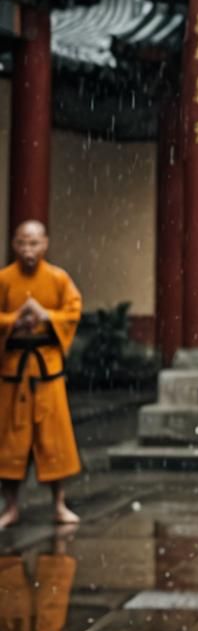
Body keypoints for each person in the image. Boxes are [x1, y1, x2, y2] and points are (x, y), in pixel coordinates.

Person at [0, 220, 82, 529]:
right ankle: (10, 506)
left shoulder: (58, 278)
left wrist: (47, 316)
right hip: (14, 371)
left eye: (34, 243)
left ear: (45, 244)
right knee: (10, 442)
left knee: (54, 440)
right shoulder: (5, 279)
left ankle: (59, 504)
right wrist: (13, 321)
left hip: (47, 371)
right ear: (14, 244)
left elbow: (73, 312)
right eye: (23, 243)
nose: (28, 249)